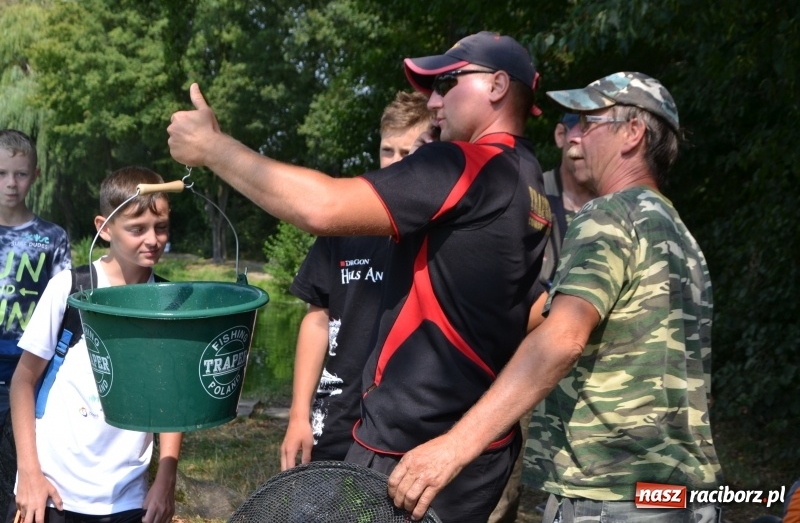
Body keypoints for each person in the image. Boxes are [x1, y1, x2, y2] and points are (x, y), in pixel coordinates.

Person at [168, 31, 550, 522]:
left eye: (447, 82)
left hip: (411, 445)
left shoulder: (470, 163)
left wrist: (213, 149)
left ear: (497, 86)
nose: (433, 101)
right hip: (473, 450)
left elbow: (323, 207)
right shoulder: (529, 179)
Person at [385, 71, 724, 523]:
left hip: (612, 495)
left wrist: (453, 447)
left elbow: (562, 338)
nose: (574, 135)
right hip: (681, 497)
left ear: (633, 133)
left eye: (589, 121)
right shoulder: (680, 236)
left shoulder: (609, 215)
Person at [6, 166, 182, 523]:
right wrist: (29, 475)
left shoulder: (169, 301)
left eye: (160, 227)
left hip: (127, 497)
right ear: (104, 228)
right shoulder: (69, 288)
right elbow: (22, 383)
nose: (152, 239)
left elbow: (172, 400)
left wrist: (165, 479)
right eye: (137, 229)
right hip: (51, 491)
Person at [280, 91, 432, 468]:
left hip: (411, 425)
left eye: (411, 153)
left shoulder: (444, 227)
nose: (398, 163)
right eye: (388, 151)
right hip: (335, 416)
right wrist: (299, 414)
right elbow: (318, 318)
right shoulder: (347, 216)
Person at [488, 112, 594, 523]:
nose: (583, 140)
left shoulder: (611, 207)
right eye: (577, 128)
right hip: (522, 361)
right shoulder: (529, 192)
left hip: (584, 372)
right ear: (559, 133)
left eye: (595, 129)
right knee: (498, 489)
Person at [0, 130, 72, 429]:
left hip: (28, 367)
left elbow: (64, 308)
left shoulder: (53, 237)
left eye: (21, 174)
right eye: (2, 173)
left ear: (35, 175)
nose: (11, 184)